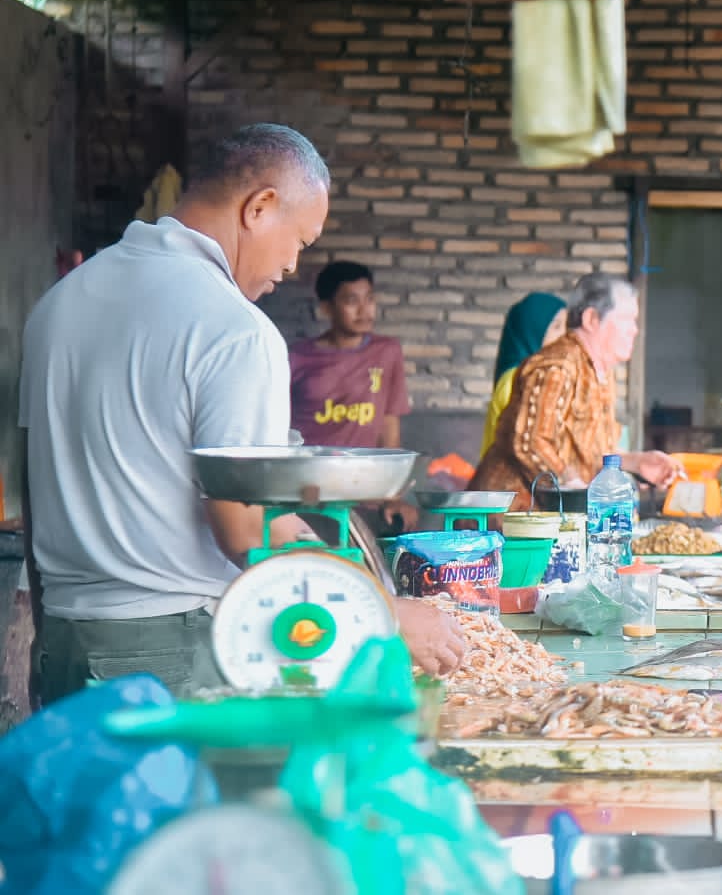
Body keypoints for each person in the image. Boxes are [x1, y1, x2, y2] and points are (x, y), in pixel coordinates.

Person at [19, 123, 466, 704]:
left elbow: (33, 487)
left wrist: (47, 634)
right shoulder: (235, 328)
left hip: (62, 639)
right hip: (169, 651)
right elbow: (249, 529)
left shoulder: (60, 302)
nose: (291, 266)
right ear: (259, 207)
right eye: (299, 241)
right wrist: (385, 610)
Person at [471, 273, 680, 506]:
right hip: (511, 517)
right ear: (591, 319)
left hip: (555, 516)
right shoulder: (557, 366)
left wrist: (636, 463)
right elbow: (531, 443)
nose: (635, 330)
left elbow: (588, 454)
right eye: (627, 320)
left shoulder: (601, 373)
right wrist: (575, 487)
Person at [289, 260, 416, 528]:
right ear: (327, 307)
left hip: (365, 494)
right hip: (308, 493)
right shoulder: (297, 357)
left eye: (369, 299)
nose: (364, 310)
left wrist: (393, 496)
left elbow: (389, 424)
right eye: (351, 300)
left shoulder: (387, 351)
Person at [481, 292, 568, 459]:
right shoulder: (516, 380)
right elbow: (529, 448)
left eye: (566, 326)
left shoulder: (539, 376)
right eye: (557, 327)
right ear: (533, 332)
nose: (565, 336)